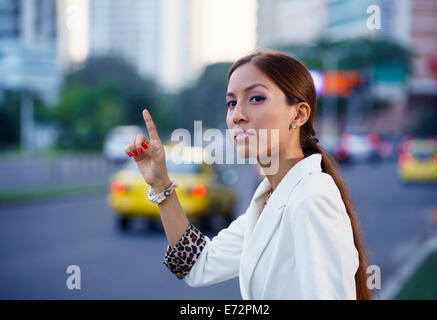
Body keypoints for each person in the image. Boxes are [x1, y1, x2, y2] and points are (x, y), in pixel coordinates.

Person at [125, 51, 372, 300]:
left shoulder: (311, 197)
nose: (237, 115)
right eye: (231, 103)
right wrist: (160, 183)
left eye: (256, 98)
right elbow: (196, 265)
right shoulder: (269, 199)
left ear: (298, 114)